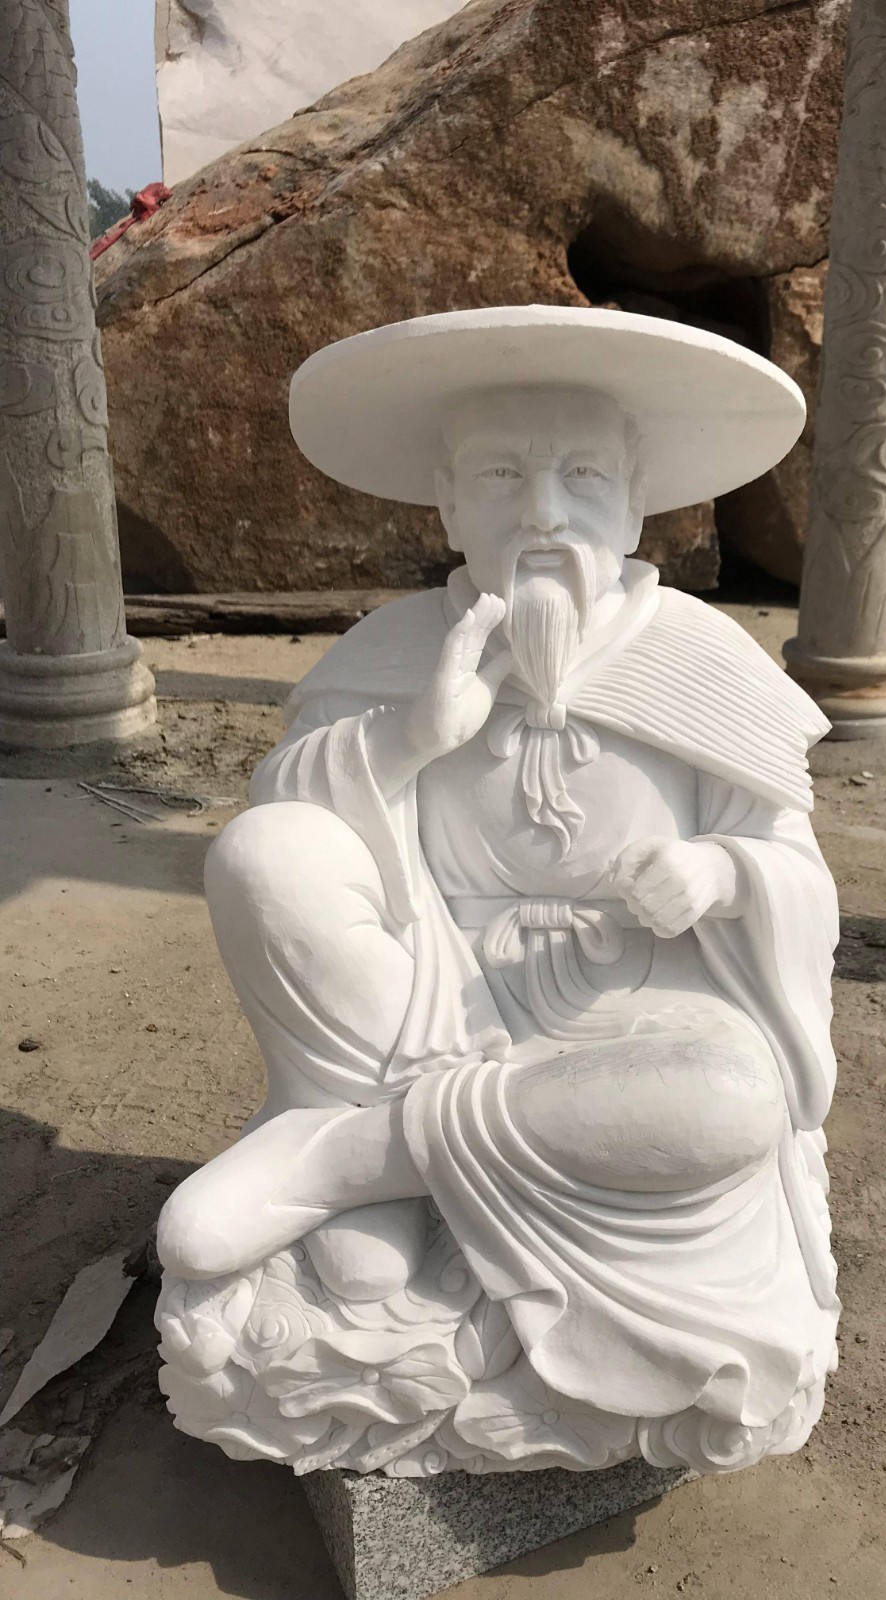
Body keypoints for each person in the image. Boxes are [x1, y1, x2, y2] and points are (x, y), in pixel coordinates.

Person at [156, 306, 842, 1477]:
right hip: (421, 1005)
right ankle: (380, 1136)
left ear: (635, 501)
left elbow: (795, 872)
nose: (543, 514)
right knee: (265, 850)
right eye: (500, 477)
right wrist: (415, 735)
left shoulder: (706, 663)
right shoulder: (391, 651)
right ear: (446, 501)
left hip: (636, 1023)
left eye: (582, 477)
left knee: (734, 1099)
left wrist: (722, 870)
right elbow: (294, 809)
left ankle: (356, 1164)